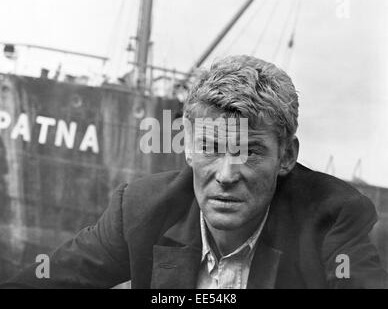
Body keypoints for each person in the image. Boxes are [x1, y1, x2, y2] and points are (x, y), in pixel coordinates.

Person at [2, 55, 387, 288]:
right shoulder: (141, 211)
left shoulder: (332, 218)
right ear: (187, 147)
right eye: (211, 148)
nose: (226, 174)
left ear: (286, 156)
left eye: (249, 152)